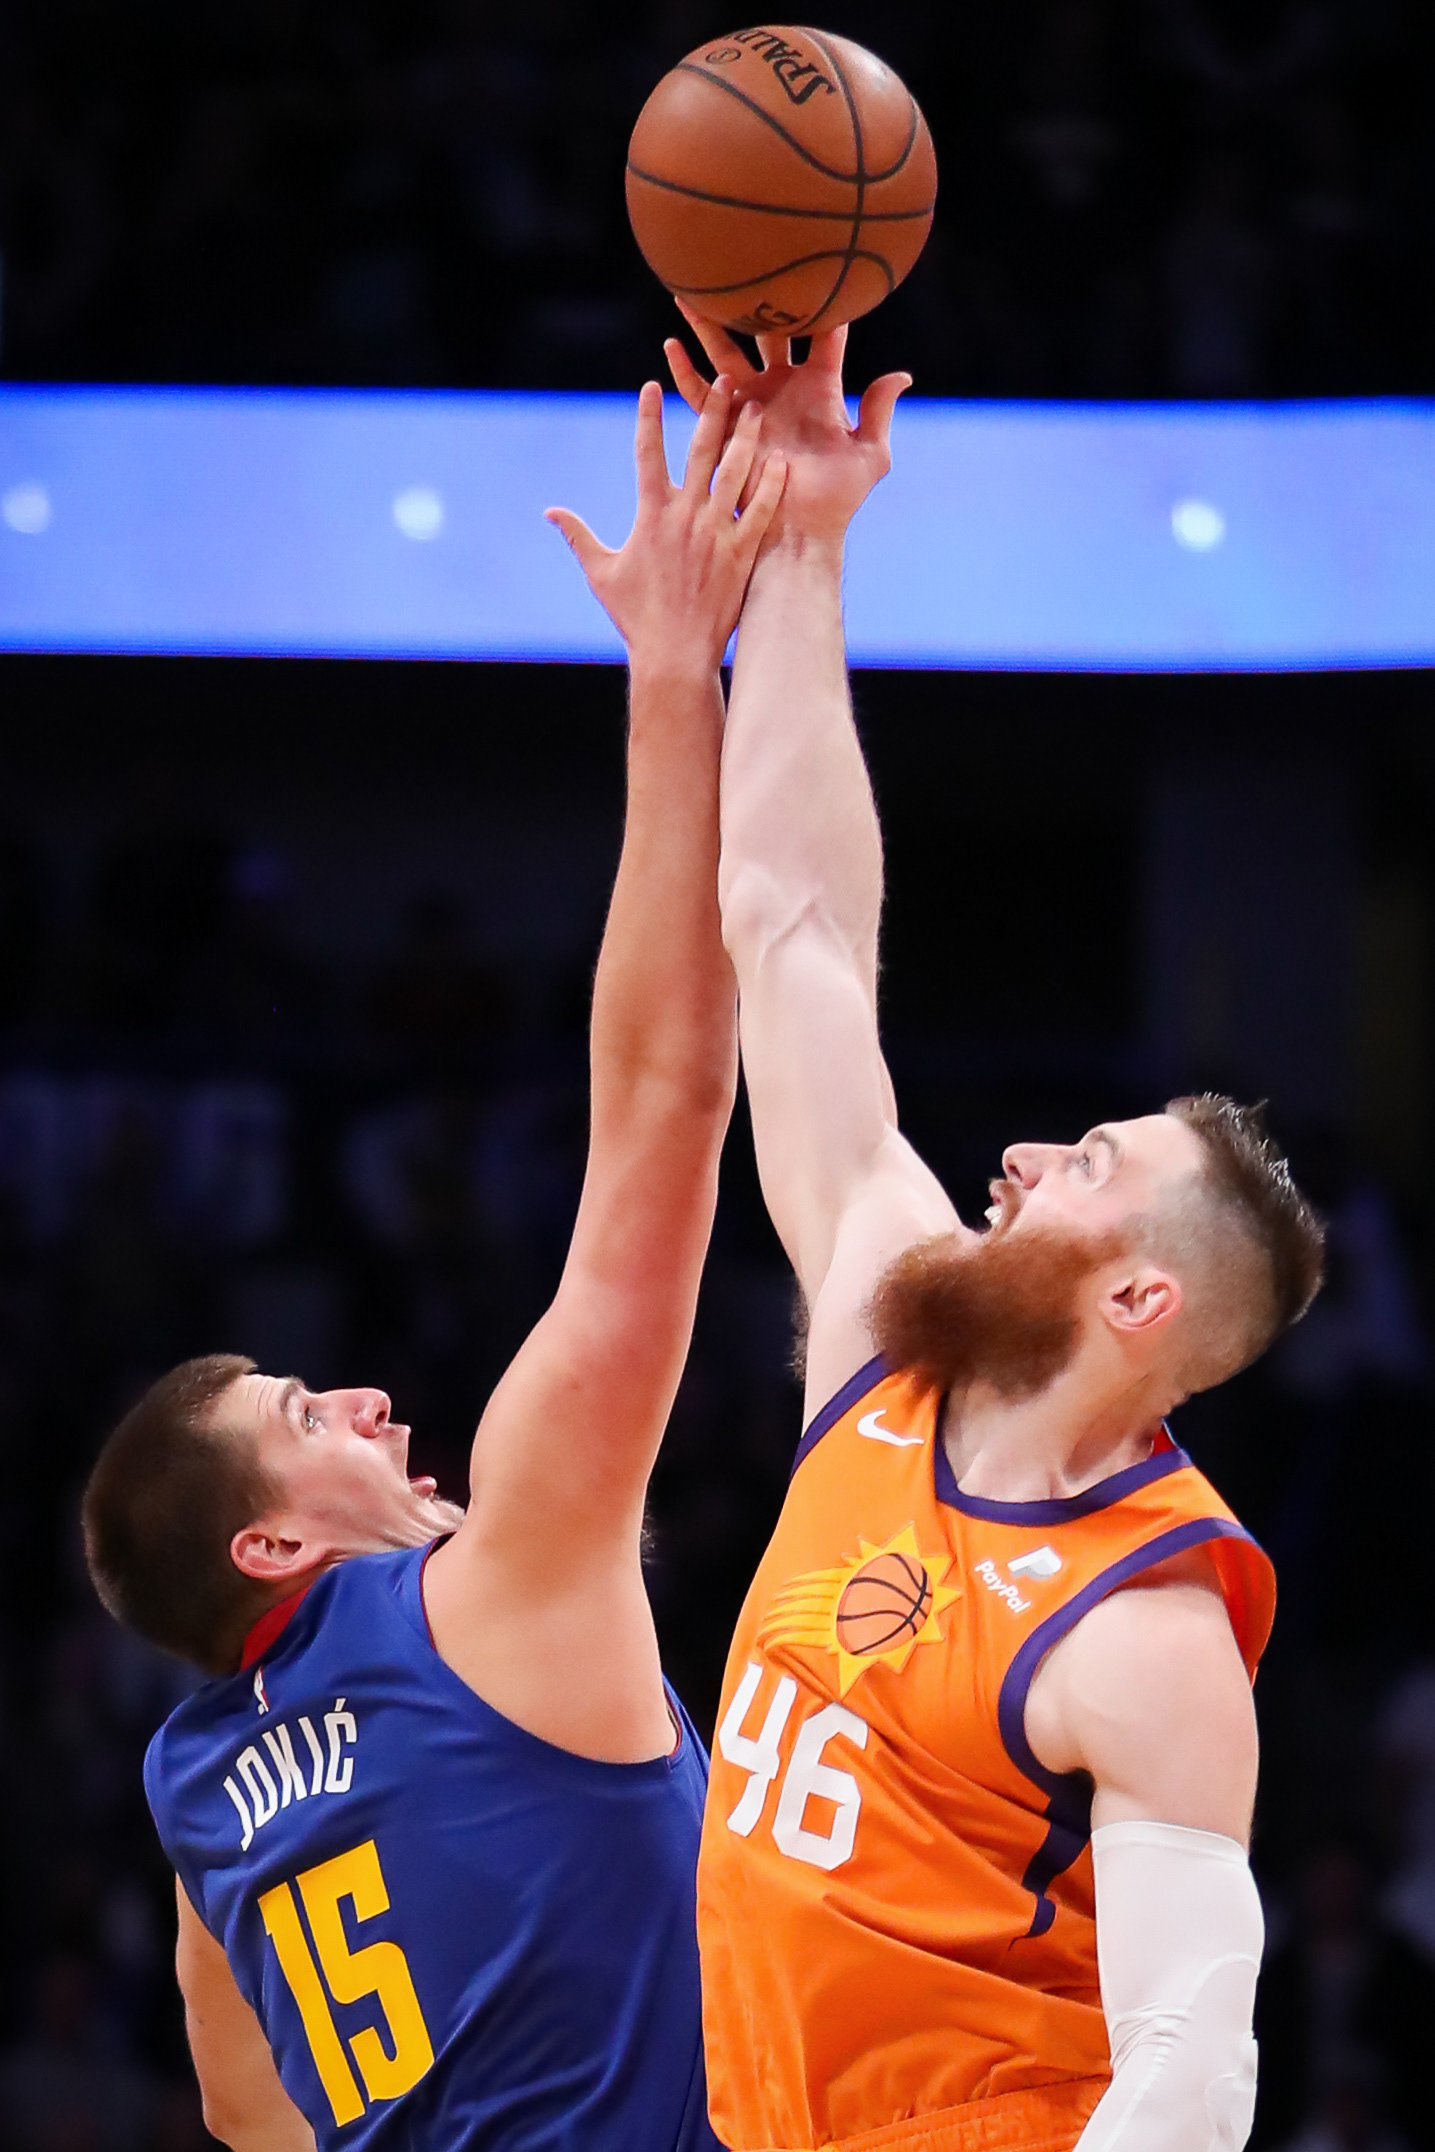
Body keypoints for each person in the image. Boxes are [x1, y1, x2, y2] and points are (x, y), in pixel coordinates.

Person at [80, 377, 786, 2152]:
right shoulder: (503, 1577)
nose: (370, 1396)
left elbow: (245, 2116)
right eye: (309, 1411)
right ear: (273, 1542)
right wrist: (670, 667)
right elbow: (662, 1106)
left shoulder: (193, 1800)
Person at [662, 307, 1325, 2152]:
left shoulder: (1155, 1633)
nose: (1023, 1154)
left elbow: (1195, 2079)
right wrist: (801, 548)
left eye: (1092, 1161)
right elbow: (791, 925)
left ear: (1135, 1293)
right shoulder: (889, 1328)